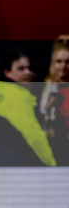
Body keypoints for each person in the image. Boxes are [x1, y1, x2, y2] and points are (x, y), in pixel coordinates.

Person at [0, 52, 56, 166]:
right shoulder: (17, 95)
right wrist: (51, 163)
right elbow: (34, 135)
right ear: (7, 73)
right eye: (21, 69)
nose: (28, 72)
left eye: (28, 68)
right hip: (17, 167)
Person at [40, 35, 69, 166]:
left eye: (68, 61)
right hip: (53, 150)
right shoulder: (43, 90)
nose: (63, 66)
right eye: (59, 61)